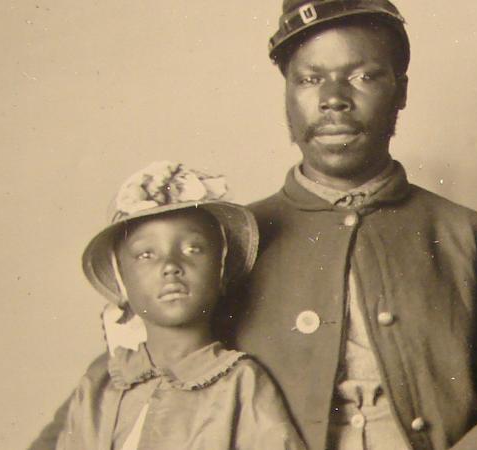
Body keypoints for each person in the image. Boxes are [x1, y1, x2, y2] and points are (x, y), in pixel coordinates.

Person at [217, 1, 477, 449]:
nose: (333, 98)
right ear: (287, 95)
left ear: (401, 92)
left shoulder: (473, 239)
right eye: (310, 79)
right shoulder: (231, 242)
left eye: (362, 76)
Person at [54, 161, 304, 449]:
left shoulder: (241, 385)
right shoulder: (101, 387)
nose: (171, 266)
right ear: (121, 280)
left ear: (220, 269)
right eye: (146, 254)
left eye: (192, 249)